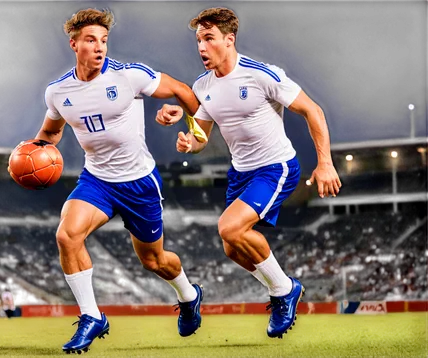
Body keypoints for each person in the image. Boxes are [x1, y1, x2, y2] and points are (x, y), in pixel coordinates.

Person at [156, 7, 341, 339]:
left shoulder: (262, 74)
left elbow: (312, 110)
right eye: (198, 39)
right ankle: (284, 288)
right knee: (232, 248)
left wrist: (325, 162)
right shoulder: (203, 84)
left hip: (275, 167)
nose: (201, 46)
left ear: (229, 39)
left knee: (228, 227)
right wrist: (187, 139)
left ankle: (283, 290)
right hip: (240, 173)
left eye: (209, 38)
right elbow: (202, 134)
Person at [33, 8, 204, 354]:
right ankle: (92, 316)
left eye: (104, 41)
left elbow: (184, 91)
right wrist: (29, 154)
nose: (100, 48)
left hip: (140, 183)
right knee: (67, 235)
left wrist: (192, 127)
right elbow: (49, 134)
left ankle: (189, 294)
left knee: (155, 261)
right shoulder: (58, 91)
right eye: (91, 40)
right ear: (73, 44)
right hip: (96, 181)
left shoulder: (130, 76)